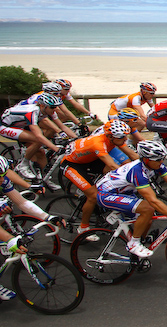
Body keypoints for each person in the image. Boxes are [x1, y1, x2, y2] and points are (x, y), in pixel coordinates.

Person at [95, 140, 167, 258]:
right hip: (106, 194)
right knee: (147, 208)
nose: (161, 161)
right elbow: (152, 200)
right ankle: (134, 244)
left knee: (148, 219)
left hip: (124, 193)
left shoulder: (155, 164)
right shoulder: (137, 171)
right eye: (158, 159)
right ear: (146, 159)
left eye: (162, 158)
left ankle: (139, 242)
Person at [0, 156, 65, 300]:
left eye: (3, 175)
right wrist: (10, 239)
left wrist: (48, 217)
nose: (2, 180)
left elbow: (22, 203)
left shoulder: (2, 180)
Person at [61, 120, 138, 235]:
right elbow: (112, 165)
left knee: (119, 169)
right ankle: (83, 228)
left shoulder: (116, 138)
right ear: (110, 136)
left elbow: (132, 155)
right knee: (93, 196)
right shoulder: (98, 143)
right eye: (123, 137)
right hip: (72, 164)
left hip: (90, 159)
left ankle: (108, 200)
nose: (125, 139)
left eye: (126, 136)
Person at [1, 93, 63, 181]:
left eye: (56, 107)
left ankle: (45, 180)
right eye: (52, 107)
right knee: (38, 140)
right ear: (42, 106)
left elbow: (59, 127)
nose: (56, 109)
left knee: (41, 152)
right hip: (6, 127)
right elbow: (39, 136)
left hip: (20, 126)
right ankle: (23, 165)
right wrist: (56, 149)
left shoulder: (44, 111)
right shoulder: (32, 112)